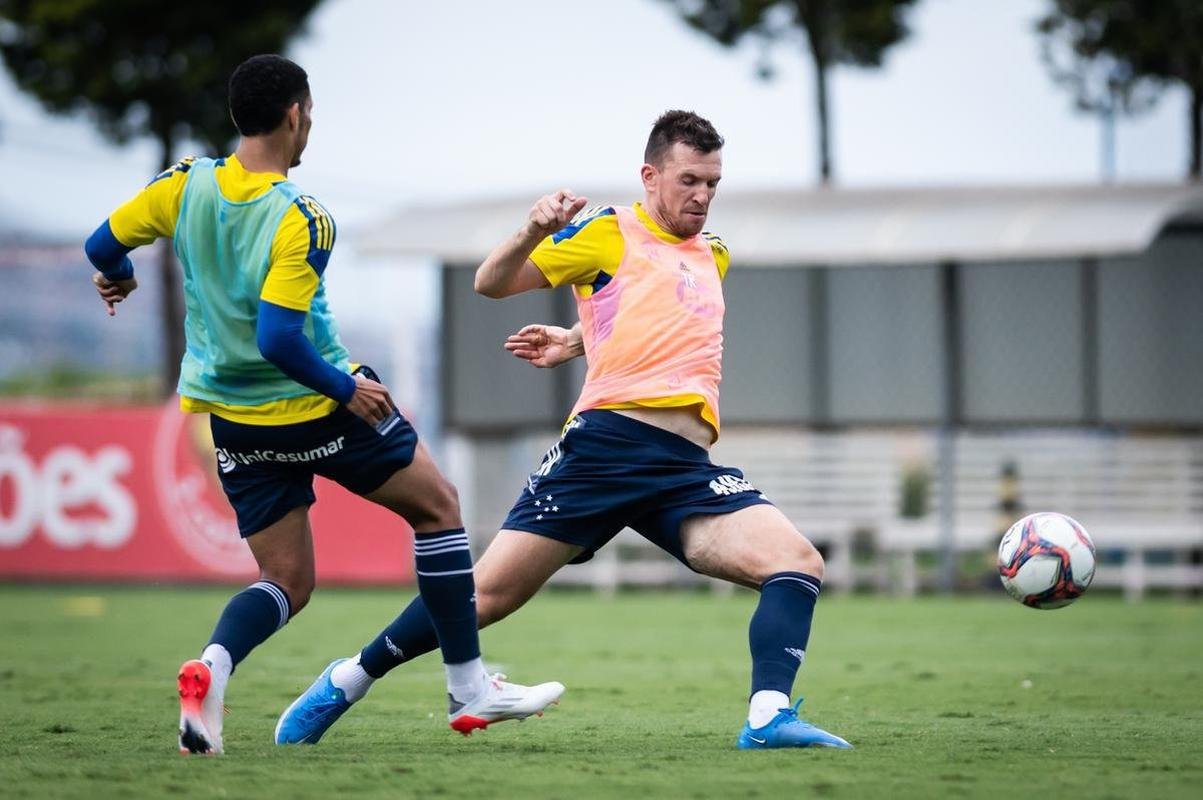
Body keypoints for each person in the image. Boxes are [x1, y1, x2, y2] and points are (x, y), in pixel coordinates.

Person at [277, 110, 850, 750]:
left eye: (713, 183)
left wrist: (578, 339)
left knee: (797, 563)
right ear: (650, 175)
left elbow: (651, 313)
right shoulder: (606, 232)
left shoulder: (713, 254)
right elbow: (492, 283)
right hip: (604, 451)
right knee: (486, 598)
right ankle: (347, 680)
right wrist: (532, 228)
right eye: (690, 180)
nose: (702, 195)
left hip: (684, 469)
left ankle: (768, 719)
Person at [83, 54, 562, 756]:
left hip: (234, 421)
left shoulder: (181, 186)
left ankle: (210, 670)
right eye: (310, 118)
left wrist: (119, 275)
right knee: (438, 510)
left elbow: (103, 244)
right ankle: (468, 687)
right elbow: (280, 337)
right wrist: (347, 389)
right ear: (294, 116)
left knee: (283, 580)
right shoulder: (301, 215)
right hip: (318, 406)